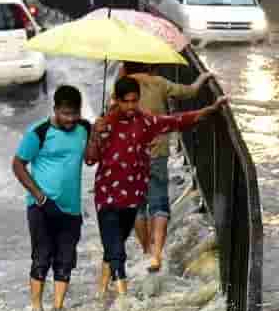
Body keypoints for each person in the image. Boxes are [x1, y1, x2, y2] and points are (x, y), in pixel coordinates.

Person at [86, 77, 228, 298]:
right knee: (117, 250)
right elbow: (90, 159)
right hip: (107, 196)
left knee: (114, 246)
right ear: (117, 100)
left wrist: (211, 109)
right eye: (126, 102)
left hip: (133, 197)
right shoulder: (105, 124)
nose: (131, 106)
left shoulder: (146, 122)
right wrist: (95, 134)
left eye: (135, 101)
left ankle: (102, 293)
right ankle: (123, 302)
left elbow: (178, 121)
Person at [120, 62, 214, 272]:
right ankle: (156, 255)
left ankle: (146, 249)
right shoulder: (159, 82)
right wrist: (202, 78)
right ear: (150, 64)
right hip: (157, 152)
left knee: (137, 207)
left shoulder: (122, 87)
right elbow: (188, 92)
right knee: (159, 204)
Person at [12, 86, 95, 311]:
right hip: (41, 206)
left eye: (74, 113)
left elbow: (90, 160)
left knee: (65, 260)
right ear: (55, 109)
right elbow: (18, 165)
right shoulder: (38, 132)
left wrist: (97, 135)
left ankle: (58, 310)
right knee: (42, 257)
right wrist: (39, 196)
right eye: (65, 113)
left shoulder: (84, 128)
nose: (70, 119)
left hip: (72, 209)